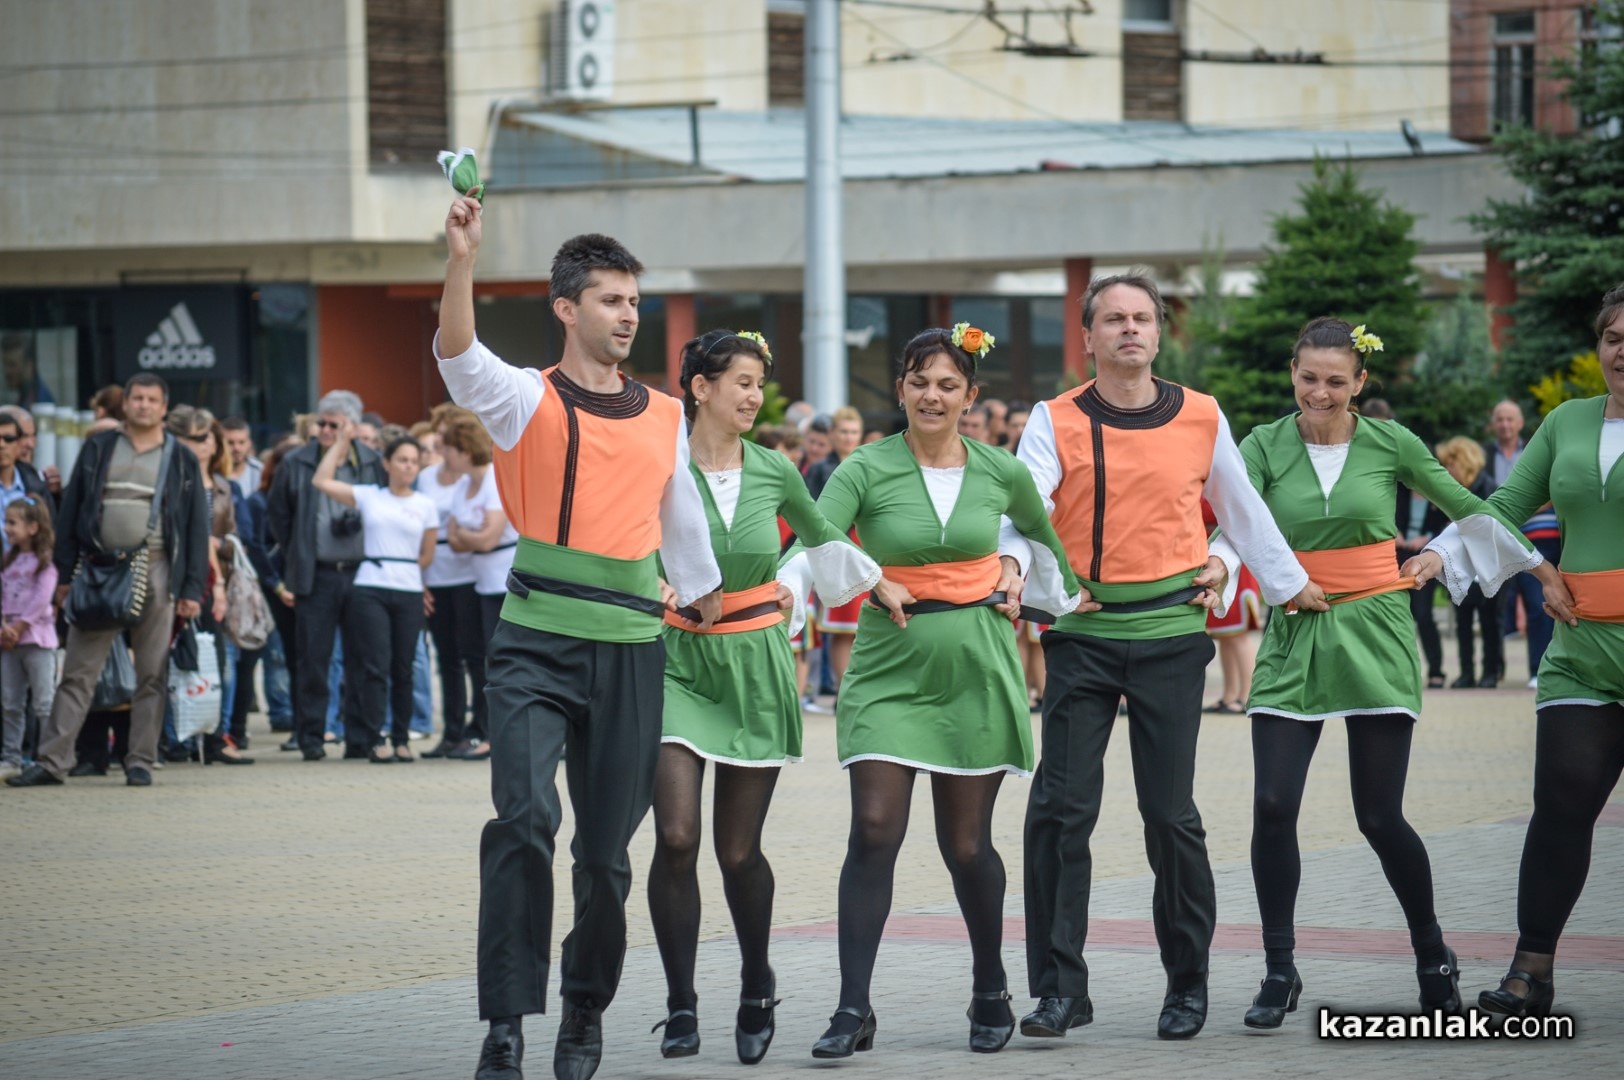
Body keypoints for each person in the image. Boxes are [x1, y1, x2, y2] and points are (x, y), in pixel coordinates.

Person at [434, 194, 723, 1080]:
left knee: (604, 858)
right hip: (534, 640)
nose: (627, 314)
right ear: (567, 308)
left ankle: (584, 1007)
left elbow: (683, 524)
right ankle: (505, 1023)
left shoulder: (667, 415)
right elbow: (458, 355)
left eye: (634, 301)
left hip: (632, 649)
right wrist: (462, 261)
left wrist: (714, 599)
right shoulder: (525, 397)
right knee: (522, 821)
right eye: (610, 300)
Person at [1011, 274, 1319, 1042]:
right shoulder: (1053, 419)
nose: (1130, 328)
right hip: (1082, 636)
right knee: (1059, 811)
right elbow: (1024, 509)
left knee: (1170, 816)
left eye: (1142, 317)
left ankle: (1187, 984)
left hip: (1171, 637)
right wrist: (1027, 577)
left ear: (1158, 333)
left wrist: (1285, 584)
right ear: (1088, 336)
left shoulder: (1201, 414)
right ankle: (1058, 988)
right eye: (1114, 318)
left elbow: (1243, 513)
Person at [1235, 317, 1546, 1029]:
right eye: (1308, 378)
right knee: (1272, 805)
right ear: (1292, 374)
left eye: (1335, 381)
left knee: (1378, 816)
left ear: (1360, 381)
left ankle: (1432, 953)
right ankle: (1279, 968)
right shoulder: (1262, 444)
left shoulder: (1390, 441)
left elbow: (1469, 508)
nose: (1320, 392)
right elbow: (1236, 518)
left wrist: (1478, 559)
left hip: (1375, 631)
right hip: (1295, 630)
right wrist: (1226, 570)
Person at [803, 324, 1083, 1060]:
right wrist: (871, 578)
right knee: (873, 829)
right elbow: (817, 538)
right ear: (900, 388)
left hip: (974, 671)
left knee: (966, 845)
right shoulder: (864, 467)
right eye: (919, 381)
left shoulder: (1000, 469)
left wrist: (1020, 572)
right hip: (887, 671)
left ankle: (990, 987)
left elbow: (1041, 537)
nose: (932, 395)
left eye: (947, 384)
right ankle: (852, 1006)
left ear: (970, 395)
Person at [648, 329, 887, 1064]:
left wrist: (842, 582)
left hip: (753, 665)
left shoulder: (776, 468)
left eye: (759, 383)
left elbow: (822, 538)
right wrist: (647, 580)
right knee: (676, 837)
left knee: (737, 851)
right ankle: (680, 1001)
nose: (754, 397)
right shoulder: (658, 461)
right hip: (674, 661)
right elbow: (621, 537)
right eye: (743, 383)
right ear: (701, 388)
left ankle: (757, 980)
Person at [1414, 284, 1624, 1020]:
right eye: (1613, 337)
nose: (1623, 350)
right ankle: (1531, 971)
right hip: (1580, 651)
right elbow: (1503, 507)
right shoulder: (1568, 422)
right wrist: (1442, 554)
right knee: (1560, 806)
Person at [9, 373, 209, 789]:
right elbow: (71, 511)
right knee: (79, 671)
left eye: (151, 399)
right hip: (99, 568)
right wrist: (64, 575)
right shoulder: (99, 447)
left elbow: (196, 526)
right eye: (137, 398)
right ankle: (52, 762)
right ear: (127, 403)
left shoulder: (180, 456)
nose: (143, 405)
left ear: (163, 407)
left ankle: (141, 762)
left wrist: (192, 589)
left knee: (152, 673)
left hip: (157, 567)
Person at [267, 390, 387, 761]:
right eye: (321, 423)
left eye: (335, 425)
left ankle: (359, 739)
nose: (325, 430)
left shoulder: (371, 461)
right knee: (313, 660)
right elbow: (278, 515)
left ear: (352, 426)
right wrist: (298, 551)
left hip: (362, 573)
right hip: (316, 574)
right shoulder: (297, 461)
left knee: (362, 660)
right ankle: (311, 738)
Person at [312, 422, 436, 762]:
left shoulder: (425, 504)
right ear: (387, 463)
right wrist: (341, 442)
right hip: (371, 586)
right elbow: (321, 481)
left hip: (408, 587)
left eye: (414, 461)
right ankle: (376, 736)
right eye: (402, 460)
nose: (408, 467)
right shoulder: (371, 495)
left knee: (404, 667)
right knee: (375, 666)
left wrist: (412, 576)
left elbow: (427, 555)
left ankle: (402, 738)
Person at [165, 406, 244, 764]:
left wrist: (220, 578)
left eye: (206, 438)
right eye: (194, 438)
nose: (202, 445)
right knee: (169, 661)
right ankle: (172, 740)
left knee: (215, 661)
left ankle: (213, 737)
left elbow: (231, 538)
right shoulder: (169, 478)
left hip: (209, 578)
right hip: (173, 573)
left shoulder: (224, 486)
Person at [418, 406, 488, 760]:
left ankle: (481, 728)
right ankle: (452, 731)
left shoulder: (471, 478)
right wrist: (420, 579)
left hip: (469, 572)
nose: (443, 445)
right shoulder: (426, 478)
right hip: (436, 571)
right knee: (446, 656)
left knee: (475, 654)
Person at [1483, 399, 1557, 686]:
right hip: (1496, 535)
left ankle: (1538, 669)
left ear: (1520, 423)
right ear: (1493, 424)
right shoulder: (1484, 455)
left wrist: (1519, 508)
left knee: (1538, 603)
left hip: (1534, 536)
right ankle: (1493, 670)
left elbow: (1550, 490)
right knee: (1492, 605)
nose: (1505, 424)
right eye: (1500, 419)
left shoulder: (1535, 452)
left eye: (1510, 419)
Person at [1435, 436, 1504, 688]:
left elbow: (1496, 526)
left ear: (1465, 463)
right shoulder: (1450, 491)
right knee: (1463, 622)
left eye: (1451, 464)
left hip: (1488, 565)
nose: (1447, 470)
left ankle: (1490, 672)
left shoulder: (1489, 487)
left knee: (1490, 621)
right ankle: (1466, 672)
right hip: (1461, 565)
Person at [1, 497, 58, 781]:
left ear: (33, 527)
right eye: (6, 521)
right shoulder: (8, 561)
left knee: (44, 702)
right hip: (8, 642)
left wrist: (20, 626)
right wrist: (4, 627)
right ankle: (11, 757)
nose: (7, 528)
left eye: (12, 522)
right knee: (10, 702)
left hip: (37, 640)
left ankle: (48, 758)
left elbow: (41, 598)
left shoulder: (44, 563)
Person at [1200, 497, 1262, 714]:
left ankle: (1247, 695)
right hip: (1213, 557)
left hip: (1233, 563)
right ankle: (1229, 695)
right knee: (1226, 638)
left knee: (1237, 635)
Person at [0, 412, 52, 555]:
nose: (1, 445)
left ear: (18, 444)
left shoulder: (35, 485)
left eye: (8, 439)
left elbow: (48, 534)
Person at [220, 416, 262, 496]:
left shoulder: (259, 471)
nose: (237, 448)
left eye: (241, 442)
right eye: (230, 443)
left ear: (249, 443)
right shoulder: (212, 473)